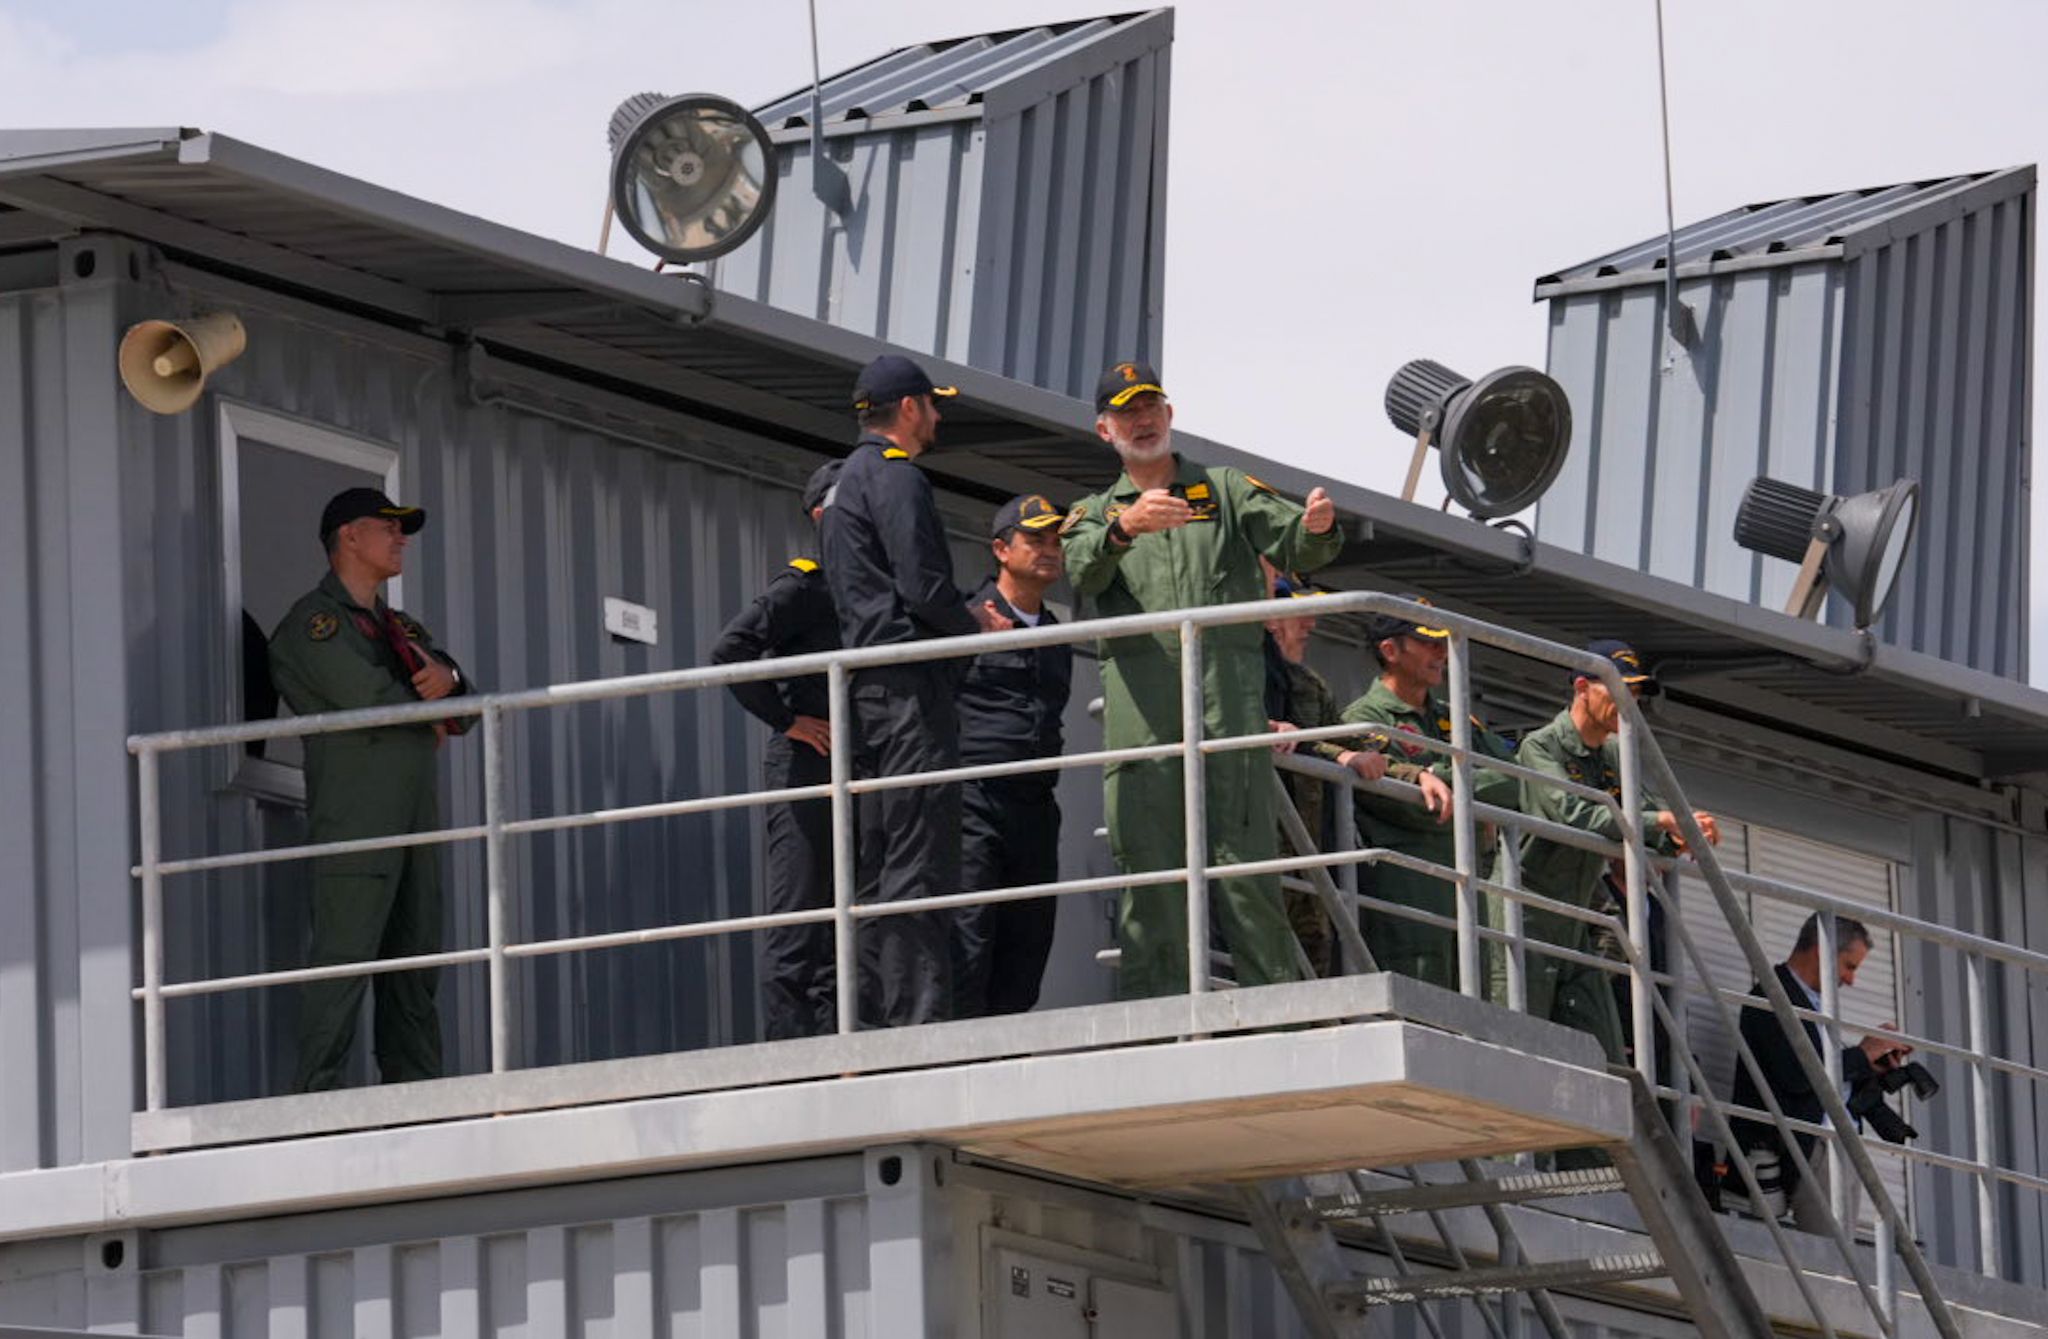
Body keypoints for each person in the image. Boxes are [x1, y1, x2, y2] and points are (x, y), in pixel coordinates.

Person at [1062, 359, 1344, 998]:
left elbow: (1294, 541)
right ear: (1105, 431)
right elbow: (1079, 570)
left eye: (1150, 407)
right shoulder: (1091, 513)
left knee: (1247, 867)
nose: (1142, 420)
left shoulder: (1224, 489)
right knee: (1151, 873)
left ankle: (1275, 1012)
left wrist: (1317, 527)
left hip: (1228, 707)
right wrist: (1123, 529)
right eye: (1127, 413)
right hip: (1143, 718)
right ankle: (1157, 1023)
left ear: (1169, 414)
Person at [820, 354, 1008, 1026]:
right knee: (919, 859)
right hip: (906, 691)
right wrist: (974, 624)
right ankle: (919, 1029)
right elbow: (924, 586)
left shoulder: (841, 483)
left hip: (867, 690)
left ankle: (875, 1023)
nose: (937, 417)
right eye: (932, 404)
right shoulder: (896, 476)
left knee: (879, 863)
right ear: (907, 408)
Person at [268, 486, 471, 1092]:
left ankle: (416, 1098)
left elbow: (464, 706)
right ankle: (316, 1105)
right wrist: (429, 705)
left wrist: (450, 680)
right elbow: (370, 700)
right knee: (342, 963)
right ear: (349, 537)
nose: (400, 537)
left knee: (416, 968)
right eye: (388, 526)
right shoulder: (313, 624)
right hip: (357, 821)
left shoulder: (399, 627)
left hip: (414, 823)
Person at [1504, 640, 1718, 1065]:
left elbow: (1645, 812)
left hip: (1579, 915)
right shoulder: (1541, 746)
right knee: (1522, 1041)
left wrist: (1682, 833)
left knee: (1604, 1047)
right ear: (1582, 687)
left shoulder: (1616, 752)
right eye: (1619, 690)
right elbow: (1572, 812)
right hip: (1529, 908)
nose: (1629, 702)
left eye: (1634, 693)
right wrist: (1661, 822)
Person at [710, 460, 843, 1040]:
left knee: (844, 918)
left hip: (856, 764)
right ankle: (791, 1057)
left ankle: (839, 1053)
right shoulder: (806, 585)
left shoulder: (870, 588)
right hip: (805, 765)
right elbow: (729, 650)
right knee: (801, 916)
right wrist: (788, 721)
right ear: (819, 515)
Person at [1337, 596, 1519, 990]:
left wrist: (1441, 777)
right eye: (1427, 642)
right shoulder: (1364, 719)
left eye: (1441, 642)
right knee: (1413, 999)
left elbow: (1513, 782)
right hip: (1405, 892)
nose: (1440, 652)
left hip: (1463, 890)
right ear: (1390, 651)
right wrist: (1456, 787)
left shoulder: (1454, 719)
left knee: (1470, 1004)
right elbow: (1406, 806)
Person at [951, 494, 1075, 1017]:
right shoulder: (965, 619)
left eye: (1056, 541)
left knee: (1027, 941)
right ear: (1001, 550)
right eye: (1035, 539)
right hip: (973, 799)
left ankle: (1007, 1053)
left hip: (1036, 802)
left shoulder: (1058, 634)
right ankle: (958, 1055)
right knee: (968, 936)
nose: (1049, 550)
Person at [1729, 913, 1910, 1233]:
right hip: (1813, 1145)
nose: (1851, 980)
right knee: (1831, 1256)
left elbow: (1825, 1071)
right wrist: (1862, 1053)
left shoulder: (1815, 1004)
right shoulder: (1770, 997)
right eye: (1849, 966)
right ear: (1821, 951)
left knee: (1842, 1252)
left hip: (1840, 1143)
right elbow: (1799, 1076)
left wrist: (1871, 1062)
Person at [1263, 572, 1388, 976]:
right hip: (1261, 849)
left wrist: (1416, 775)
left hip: (1310, 850)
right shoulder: (1240, 675)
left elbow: (1347, 741)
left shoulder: (1309, 683)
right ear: (1270, 617)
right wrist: (1343, 756)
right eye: (1301, 613)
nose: (1310, 624)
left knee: (1313, 960)